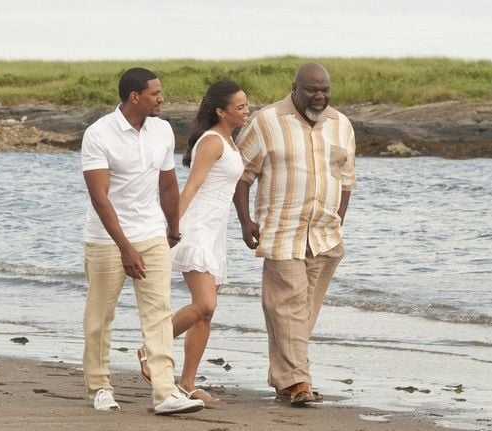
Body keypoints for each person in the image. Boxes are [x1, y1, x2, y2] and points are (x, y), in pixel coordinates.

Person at [80, 67, 204, 415]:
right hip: (107, 240)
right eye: (155, 94)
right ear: (135, 97)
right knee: (99, 317)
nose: (161, 98)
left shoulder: (162, 130)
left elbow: (167, 184)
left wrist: (173, 227)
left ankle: (165, 392)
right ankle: (100, 386)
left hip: (151, 234)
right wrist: (125, 248)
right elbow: (99, 197)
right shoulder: (99, 134)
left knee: (158, 315)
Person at [232, 63, 356, 405]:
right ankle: (299, 382)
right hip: (282, 230)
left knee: (301, 312)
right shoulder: (266, 121)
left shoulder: (341, 124)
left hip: (325, 234)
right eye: (312, 90)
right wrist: (245, 221)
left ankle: (285, 378)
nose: (320, 96)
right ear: (294, 88)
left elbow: (346, 179)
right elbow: (240, 175)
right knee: (287, 306)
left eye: (325, 90)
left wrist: (338, 219)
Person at [136, 79, 249, 405]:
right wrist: (170, 228)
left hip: (215, 233)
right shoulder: (212, 141)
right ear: (220, 111)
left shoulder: (230, 140)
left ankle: (186, 383)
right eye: (239, 107)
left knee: (206, 315)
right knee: (205, 304)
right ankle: (150, 349)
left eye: (246, 104)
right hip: (196, 229)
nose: (246, 111)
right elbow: (191, 187)